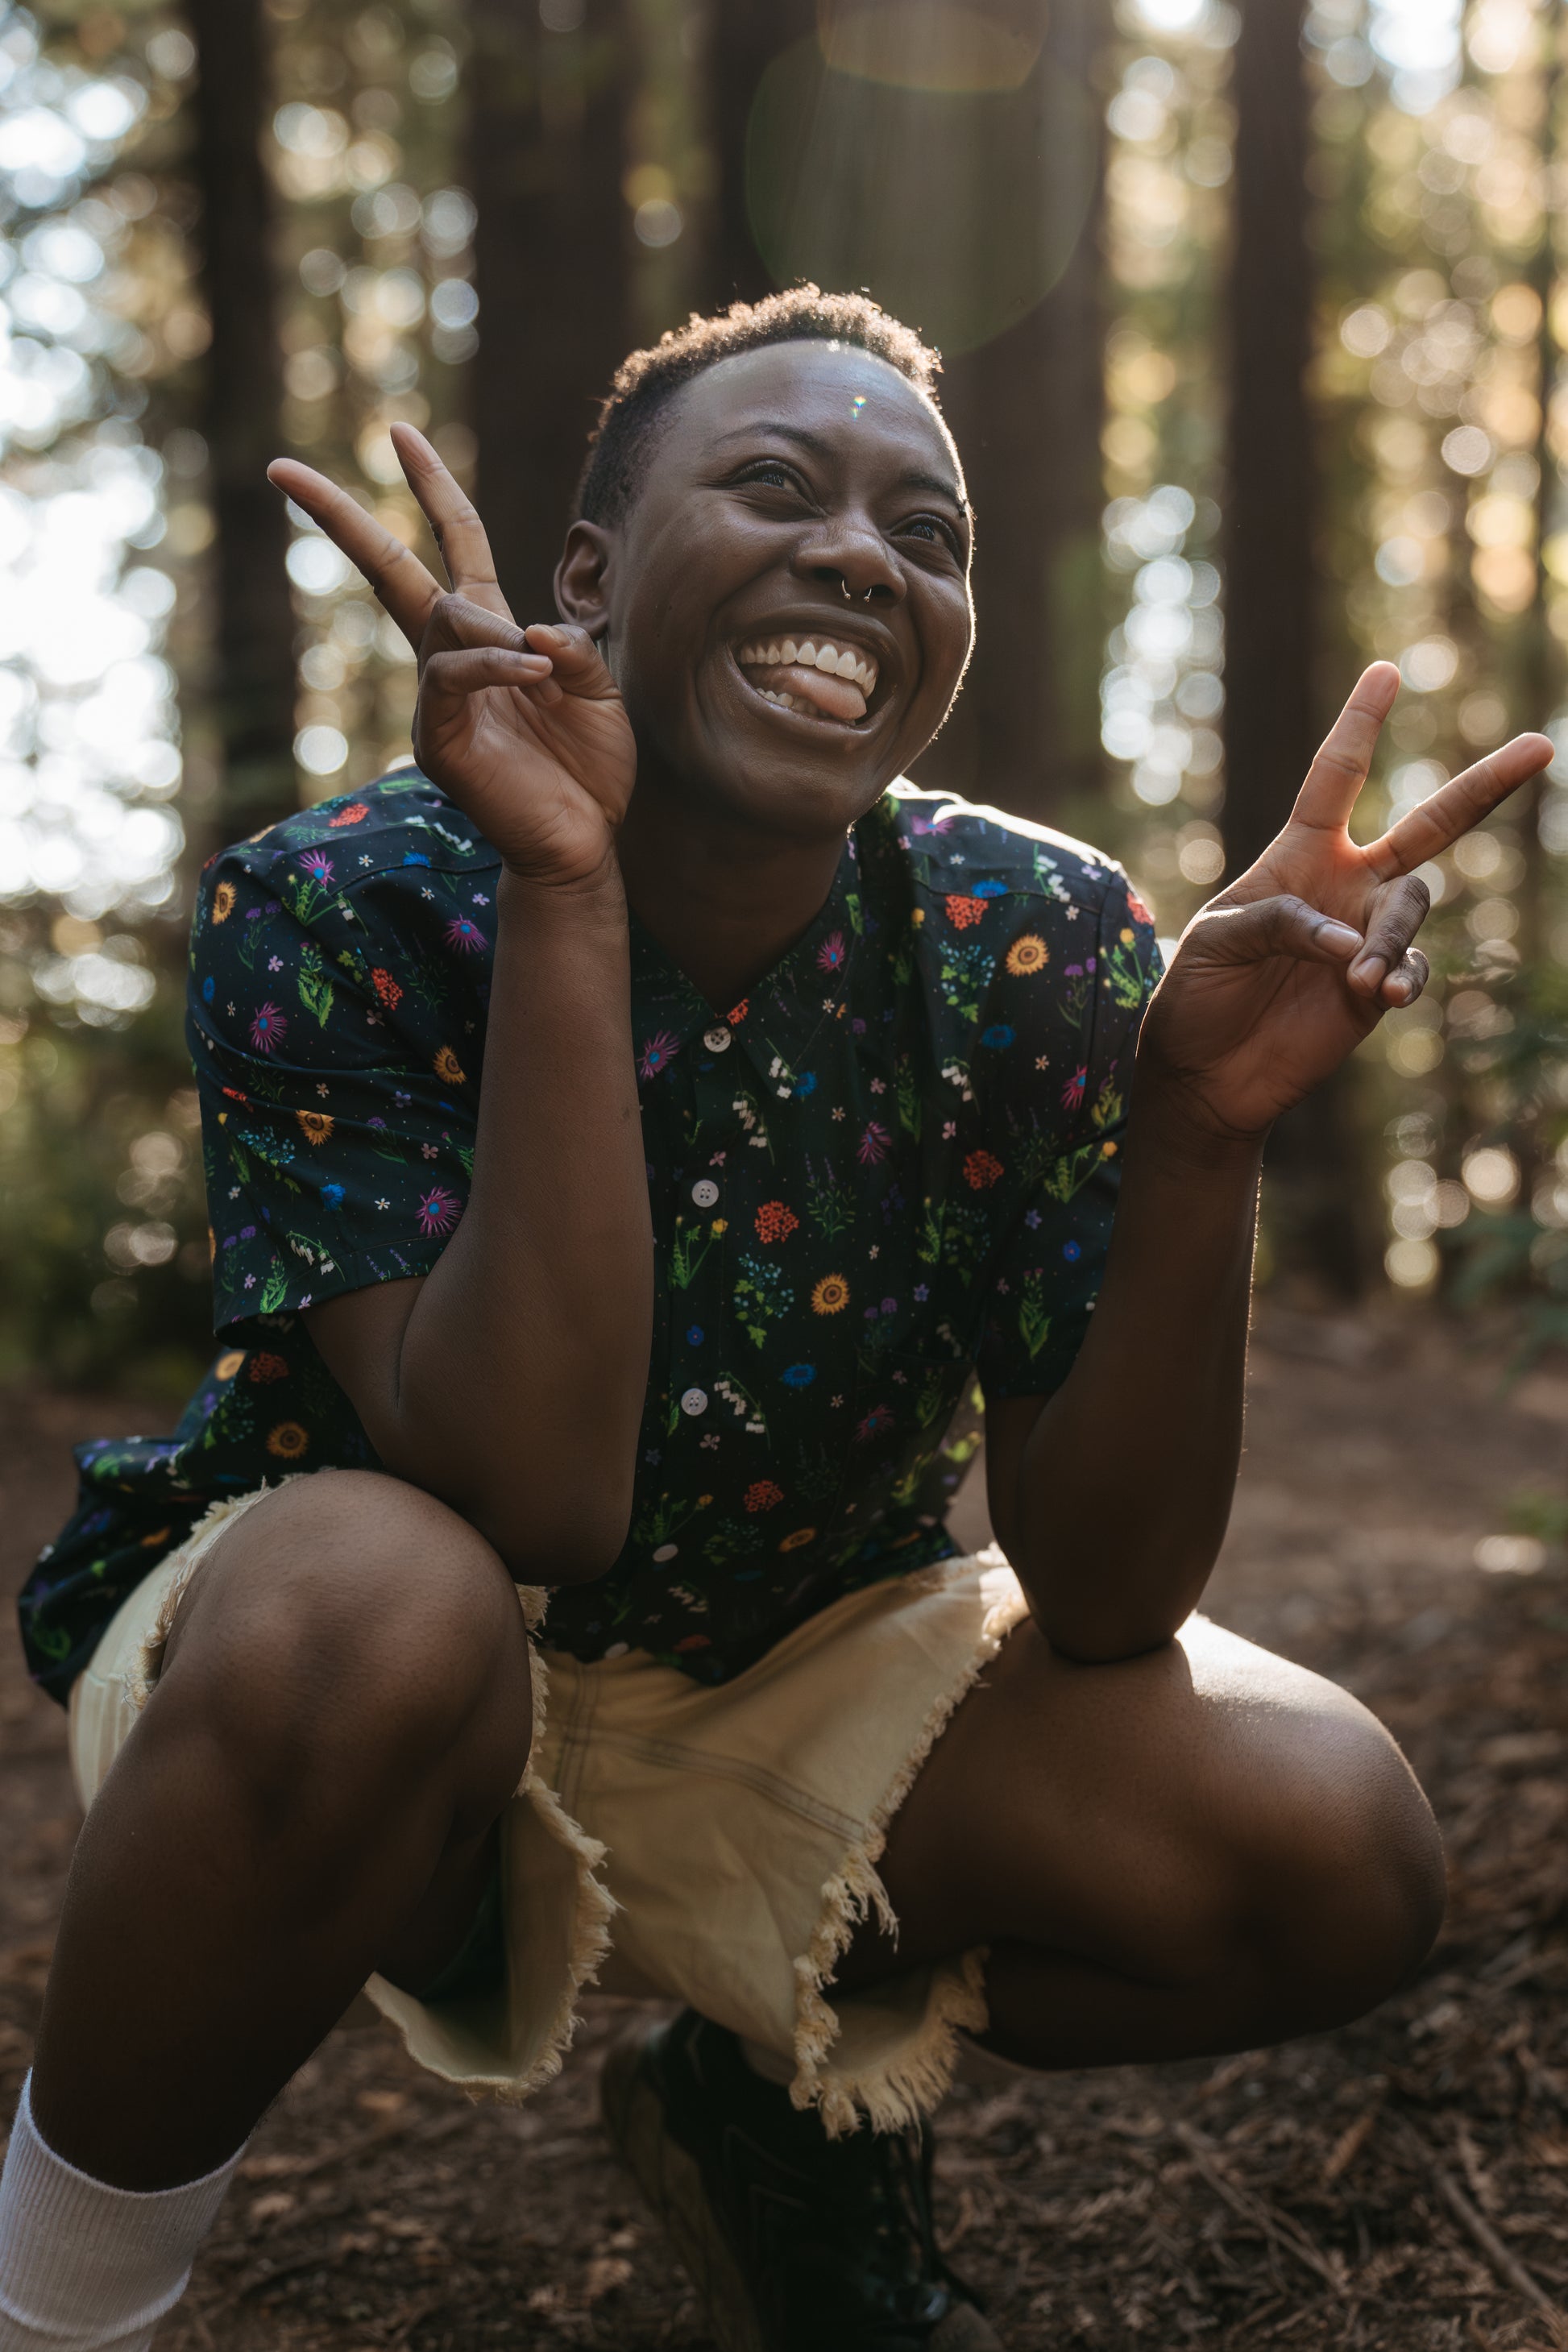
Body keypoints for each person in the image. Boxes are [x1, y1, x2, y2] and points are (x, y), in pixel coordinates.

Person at [2, 286, 1546, 2352]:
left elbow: (1104, 1595)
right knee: (382, 1601)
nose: (860, 554)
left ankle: (757, 2094)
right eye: (773, 485)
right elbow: (532, 1491)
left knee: (1329, 1843)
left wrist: (1190, 1131)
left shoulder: (1031, 937)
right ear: (588, 575)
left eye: (930, 533)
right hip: (357, 1670)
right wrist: (565, 886)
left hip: (801, 1658)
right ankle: (58, 2304)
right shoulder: (346, 895)